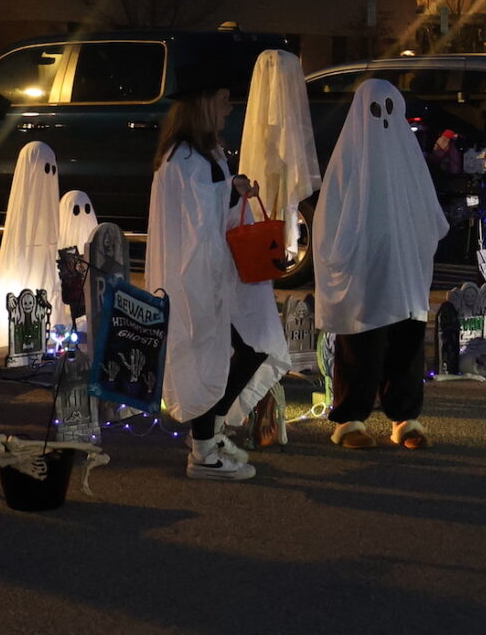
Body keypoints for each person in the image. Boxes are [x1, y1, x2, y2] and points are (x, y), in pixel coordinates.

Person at [147, 73, 291, 481]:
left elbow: (206, 212)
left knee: (243, 348)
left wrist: (234, 188)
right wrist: (230, 193)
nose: (230, 109)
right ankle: (203, 450)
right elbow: (198, 225)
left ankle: (207, 435)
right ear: (205, 101)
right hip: (202, 279)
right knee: (220, 355)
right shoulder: (188, 159)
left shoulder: (198, 154)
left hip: (211, 275)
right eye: (225, 99)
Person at [313, 78, 450, 448]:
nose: (383, 120)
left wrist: (420, 242)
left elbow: (429, 211)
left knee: (407, 342)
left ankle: (405, 417)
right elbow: (329, 217)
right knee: (362, 342)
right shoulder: (348, 160)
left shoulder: (406, 158)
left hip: (405, 270)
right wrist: (338, 258)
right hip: (364, 271)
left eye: (390, 110)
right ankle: (349, 419)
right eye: (375, 112)